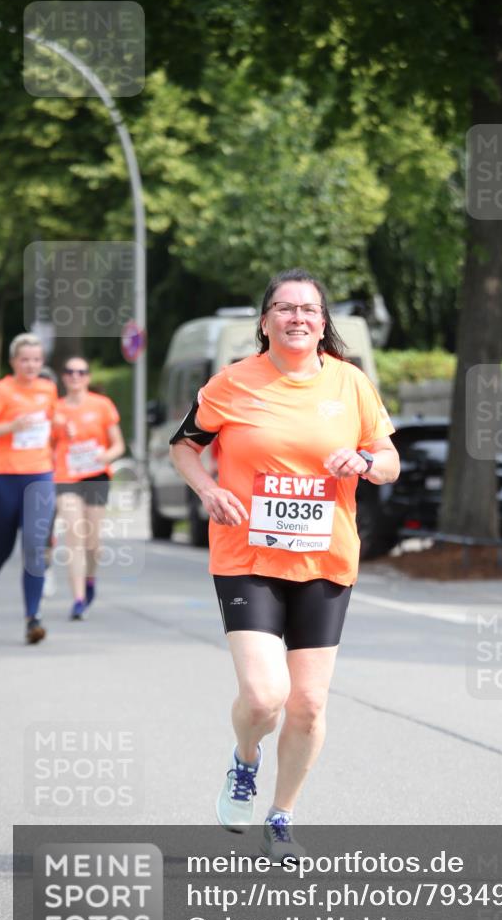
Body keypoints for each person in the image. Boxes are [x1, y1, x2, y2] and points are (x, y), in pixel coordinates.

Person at [170, 268, 400, 859]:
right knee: (266, 695)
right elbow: (184, 445)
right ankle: (245, 762)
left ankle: (281, 813)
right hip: (246, 554)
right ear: (266, 320)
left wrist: (365, 463)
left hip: (325, 559)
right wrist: (206, 491)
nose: (298, 318)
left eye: (309, 310)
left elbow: (390, 460)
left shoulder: (350, 384)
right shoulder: (232, 383)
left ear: (323, 323)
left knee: (309, 703)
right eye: (285, 308)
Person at [0, 334, 57, 643]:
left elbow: (52, 426)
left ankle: (33, 618)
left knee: (34, 546)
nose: (31, 365)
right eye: (25, 359)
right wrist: (10, 427)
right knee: (0, 549)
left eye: (36, 359)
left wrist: (64, 430)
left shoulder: (48, 390)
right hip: (3, 478)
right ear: (13, 362)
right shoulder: (2, 391)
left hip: (40, 477)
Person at [52, 357, 125, 620]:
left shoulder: (101, 405)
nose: (75, 376)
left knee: (94, 543)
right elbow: (46, 446)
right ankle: (78, 598)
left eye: (80, 372)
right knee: (74, 535)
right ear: (63, 376)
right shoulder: (55, 409)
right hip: (66, 476)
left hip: (95, 474)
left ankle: (90, 578)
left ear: (87, 377)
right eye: (69, 371)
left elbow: (118, 445)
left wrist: (105, 457)